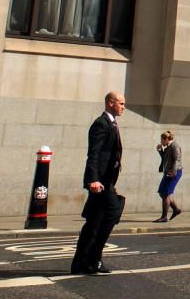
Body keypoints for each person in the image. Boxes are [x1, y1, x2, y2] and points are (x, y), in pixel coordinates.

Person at [71, 91, 125, 275]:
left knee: (95, 221)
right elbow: (93, 153)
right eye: (121, 104)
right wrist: (93, 179)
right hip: (100, 182)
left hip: (106, 180)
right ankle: (92, 259)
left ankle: (86, 262)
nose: (123, 107)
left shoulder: (111, 124)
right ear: (111, 103)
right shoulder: (101, 124)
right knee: (111, 211)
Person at [154, 130, 183, 222]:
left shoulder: (174, 146)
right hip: (168, 172)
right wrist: (160, 151)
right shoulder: (168, 146)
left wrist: (173, 172)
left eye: (162, 140)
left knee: (166, 194)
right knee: (162, 193)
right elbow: (166, 158)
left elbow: (177, 160)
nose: (161, 141)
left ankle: (164, 217)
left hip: (174, 172)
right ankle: (176, 209)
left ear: (166, 139)